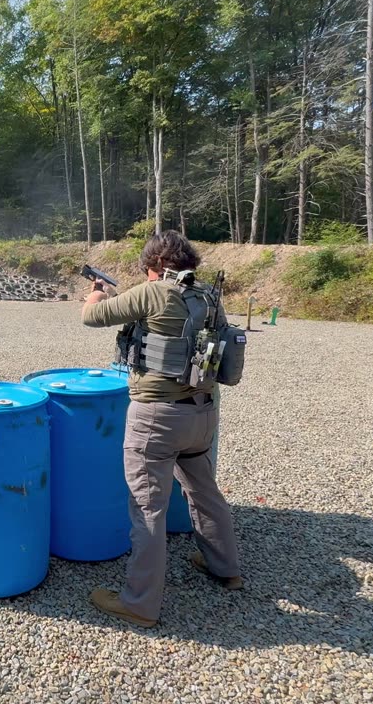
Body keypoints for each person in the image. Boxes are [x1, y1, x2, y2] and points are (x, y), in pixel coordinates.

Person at [80, 231, 243, 628]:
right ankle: (226, 567)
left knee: (147, 508)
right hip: (202, 414)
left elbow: (92, 318)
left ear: (153, 266)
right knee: (204, 491)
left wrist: (95, 294)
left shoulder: (153, 293)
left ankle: (139, 604)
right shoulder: (208, 297)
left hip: (157, 418)